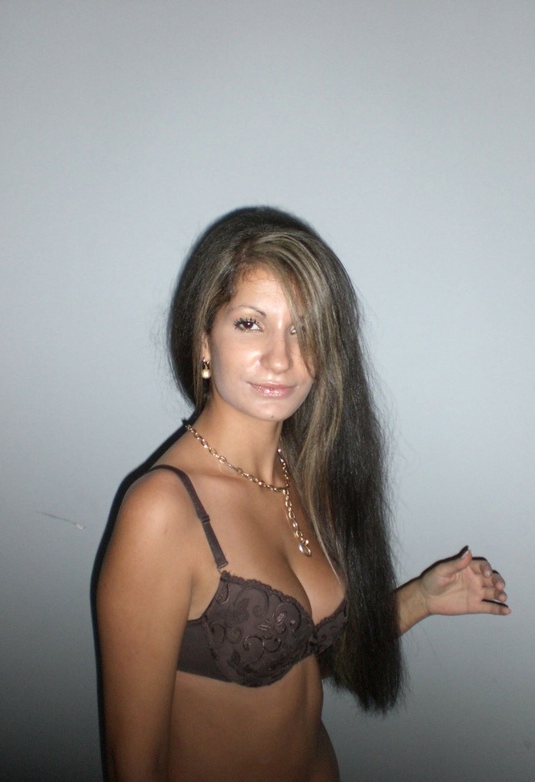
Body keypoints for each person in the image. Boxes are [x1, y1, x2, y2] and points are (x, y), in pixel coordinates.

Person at [96, 207, 510, 782]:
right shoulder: (163, 512)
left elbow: (302, 653)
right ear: (204, 340)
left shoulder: (306, 471)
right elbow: (132, 765)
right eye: (250, 323)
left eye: (303, 328)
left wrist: (421, 597)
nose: (282, 358)